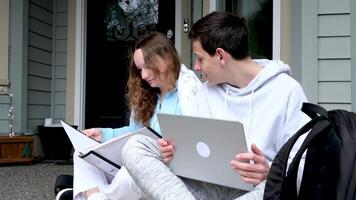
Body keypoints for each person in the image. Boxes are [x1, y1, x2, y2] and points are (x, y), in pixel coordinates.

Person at [121, 11, 310, 200]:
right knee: (135, 146)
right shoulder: (206, 92)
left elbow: (306, 165)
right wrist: (174, 153)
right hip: (209, 186)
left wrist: (270, 172)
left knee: (270, 188)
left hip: (256, 189)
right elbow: (196, 151)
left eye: (200, 58)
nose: (196, 67)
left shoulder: (286, 91)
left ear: (220, 56)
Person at [71, 32, 201, 200]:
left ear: (167, 58)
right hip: (133, 160)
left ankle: (92, 194)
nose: (144, 75)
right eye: (140, 69)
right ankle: (97, 196)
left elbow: (194, 146)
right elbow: (134, 131)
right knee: (82, 151)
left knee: (130, 173)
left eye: (148, 66)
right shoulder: (150, 96)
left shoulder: (188, 97)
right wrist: (102, 134)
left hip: (160, 170)